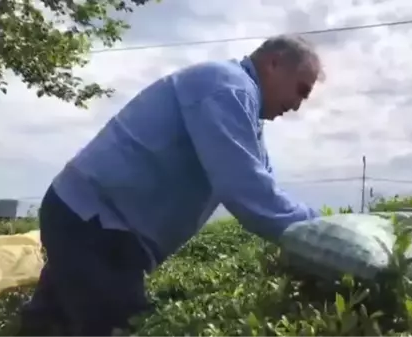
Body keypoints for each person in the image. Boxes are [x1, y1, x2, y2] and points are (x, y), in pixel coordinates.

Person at [16, 34, 325, 337]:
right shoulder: (226, 87)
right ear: (274, 63)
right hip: (92, 223)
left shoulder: (243, 108)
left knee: (46, 326)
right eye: (301, 90)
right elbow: (246, 188)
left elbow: (265, 186)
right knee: (126, 326)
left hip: (95, 222)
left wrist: (312, 228)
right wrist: (321, 233)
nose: (297, 105)